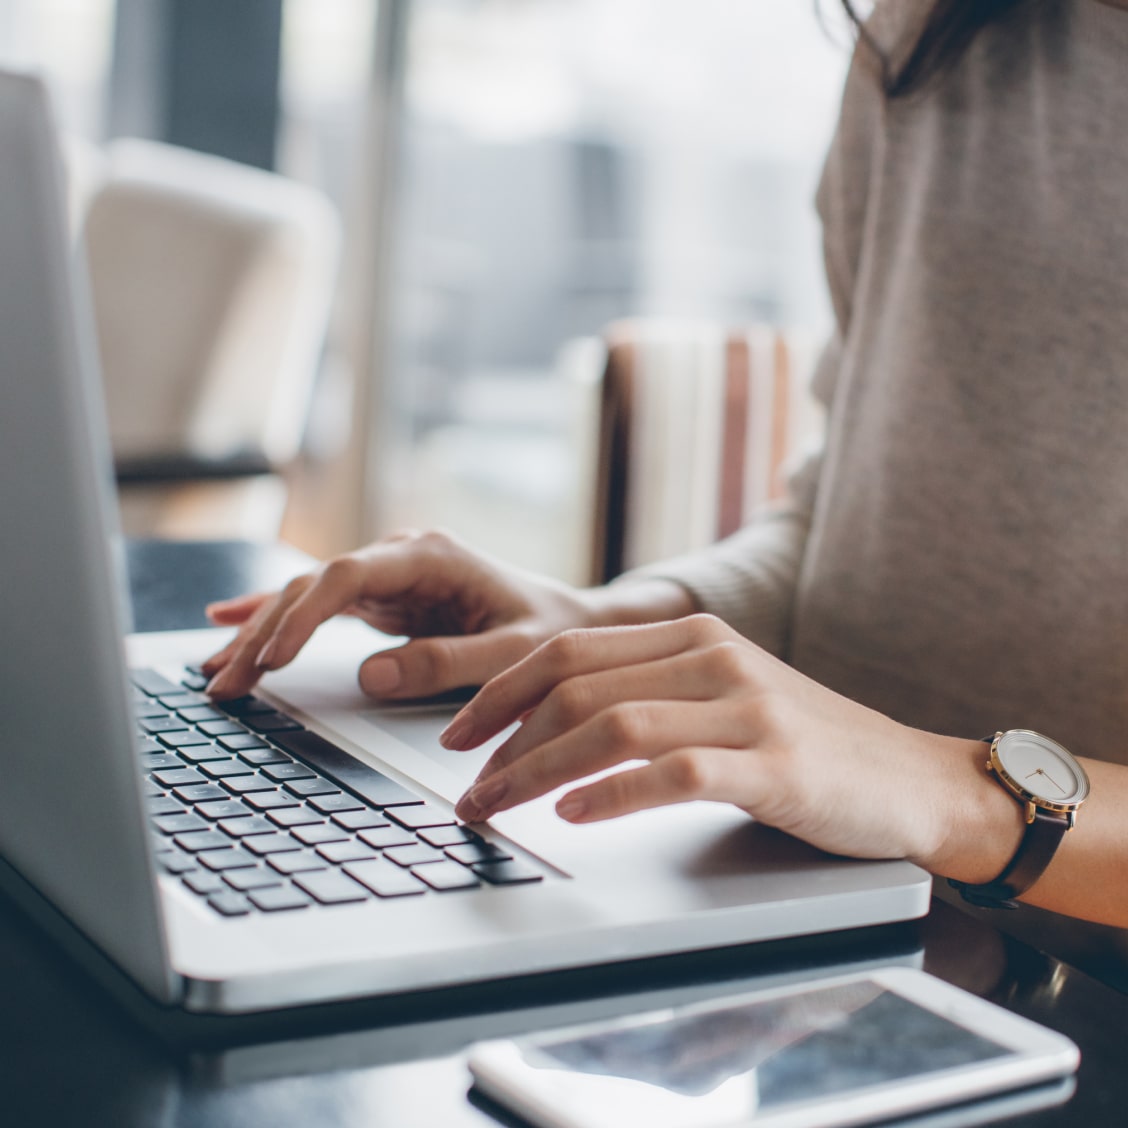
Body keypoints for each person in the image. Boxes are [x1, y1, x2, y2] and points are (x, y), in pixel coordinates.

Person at [201, 0, 1128, 933]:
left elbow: (907, 772)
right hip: (804, 915)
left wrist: (957, 795)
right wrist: (610, 625)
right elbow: (849, 512)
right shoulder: (931, 33)